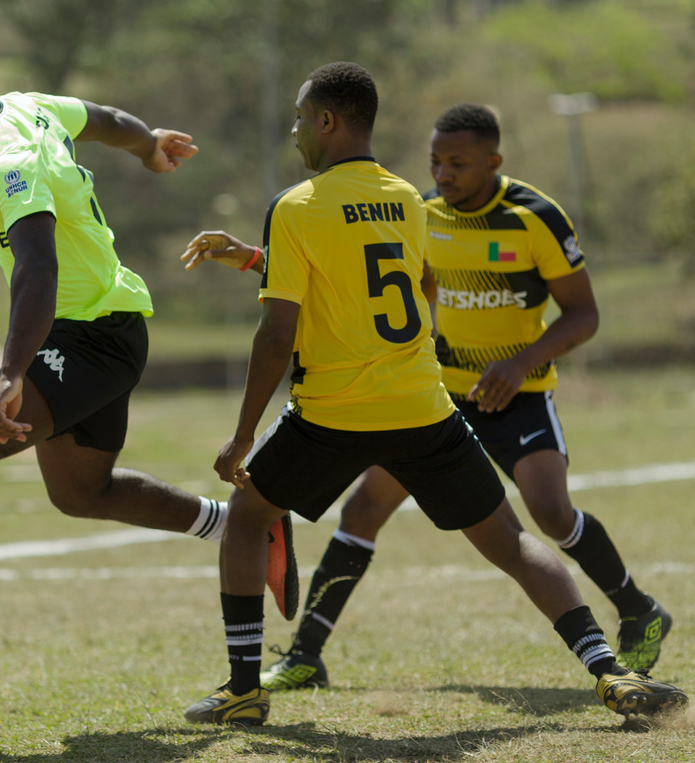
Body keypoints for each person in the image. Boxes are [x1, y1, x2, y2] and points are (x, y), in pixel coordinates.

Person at [178, 62, 686, 727]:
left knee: (247, 516)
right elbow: (411, 284)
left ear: (328, 122)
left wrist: (243, 434)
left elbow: (277, 333)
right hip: (426, 406)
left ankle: (244, 688)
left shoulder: (298, 205)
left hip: (335, 413)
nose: (297, 130)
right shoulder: (409, 203)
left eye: (302, 118)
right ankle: (608, 671)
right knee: (509, 538)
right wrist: (258, 259)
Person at [0, 42, 296, 696]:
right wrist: (148, 142)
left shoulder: (7, 160)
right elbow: (99, 117)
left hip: (88, 336)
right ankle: (243, 524)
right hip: (106, 327)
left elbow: (38, 268)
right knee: (80, 493)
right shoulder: (29, 107)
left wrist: (11, 373)